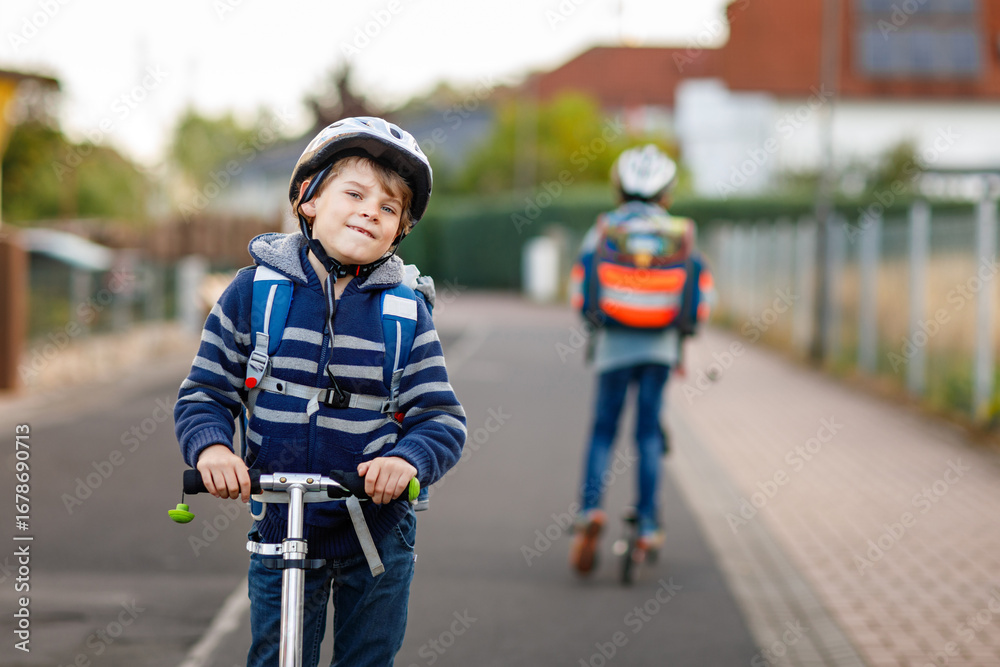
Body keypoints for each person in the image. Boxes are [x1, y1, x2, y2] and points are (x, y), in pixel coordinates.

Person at [173, 117, 466, 666]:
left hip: (377, 532)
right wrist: (212, 447)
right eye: (354, 194)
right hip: (283, 524)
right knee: (278, 658)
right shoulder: (254, 291)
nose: (369, 212)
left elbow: (441, 418)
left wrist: (407, 460)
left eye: (388, 208)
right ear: (308, 200)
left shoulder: (404, 310)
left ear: (400, 229)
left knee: (366, 659)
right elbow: (206, 392)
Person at [568, 145, 712, 576]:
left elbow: (580, 294)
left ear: (619, 188)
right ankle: (648, 524)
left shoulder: (603, 232)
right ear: (666, 193)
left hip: (613, 347)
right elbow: (703, 299)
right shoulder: (680, 233)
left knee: (602, 432)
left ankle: (591, 511)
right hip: (661, 350)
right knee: (648, 435)